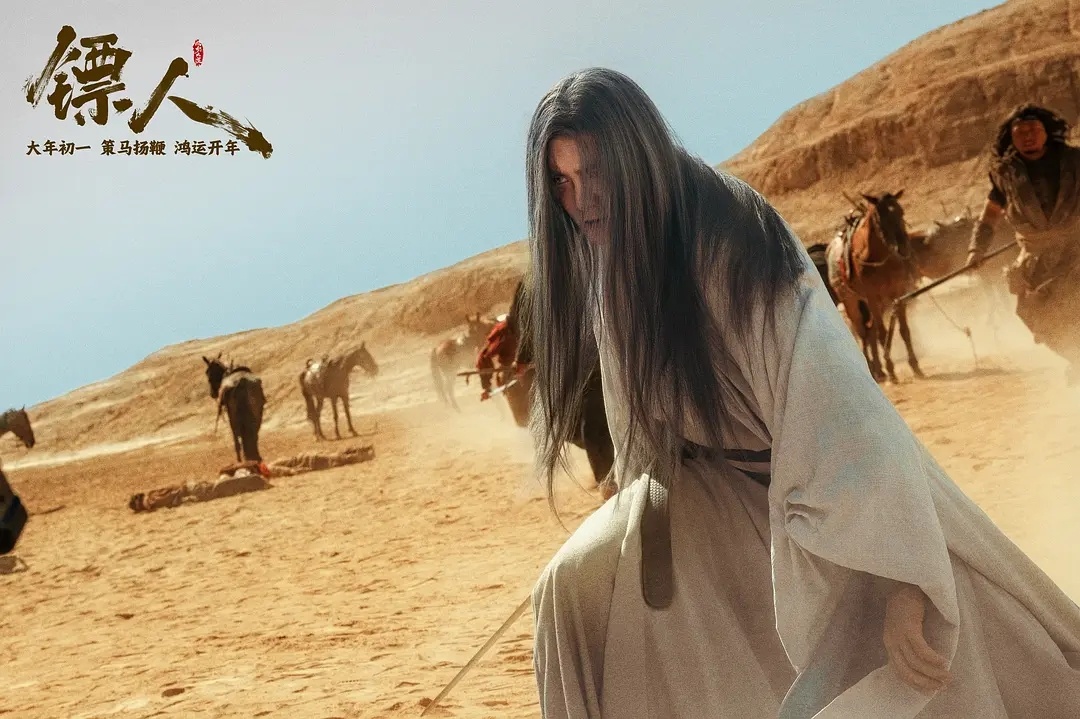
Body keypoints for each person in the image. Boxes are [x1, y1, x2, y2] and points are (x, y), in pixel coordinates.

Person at [524, 68, 1080, 718]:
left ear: (637, 154)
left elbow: (841, 408)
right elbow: (636, 419)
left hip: (831, 494)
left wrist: (901, 583)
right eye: (562, 182)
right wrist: (632, 502)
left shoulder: (730, 234)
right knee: (568, 589)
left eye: (593, 171)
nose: (581, 199)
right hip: (705, 488)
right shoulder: (610, 263)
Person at [966, 104, 1080, 384]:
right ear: (1011, 138)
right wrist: (976, 249)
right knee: (1031, 313)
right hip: (1036, 257)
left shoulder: (1074, 161)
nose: (1028, 137)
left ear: (1046, 132)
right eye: (1020, 133)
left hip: (1076, 246)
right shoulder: (1005, 176)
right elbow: (990, 215)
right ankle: (1074, 358)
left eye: (1033, 130)